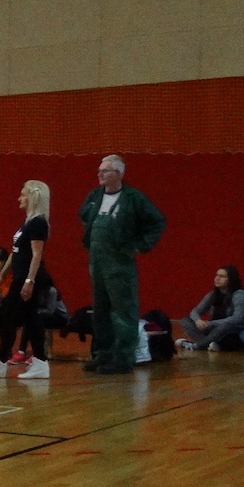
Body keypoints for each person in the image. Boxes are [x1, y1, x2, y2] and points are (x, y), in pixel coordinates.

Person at [79, 154, 166, 375]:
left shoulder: (133, 198)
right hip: (97, 263)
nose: (99, 173)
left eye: (104, 170)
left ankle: (123, 358)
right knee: (100, 312)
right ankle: (103, 355)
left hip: (120, 264)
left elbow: (157, 221)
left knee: (123, 312)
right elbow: (84, 215)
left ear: (118, 173)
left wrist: (140, 245)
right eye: (99, 170)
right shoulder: (95, 196)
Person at [0, 181, 53, 380]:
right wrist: (3, 273)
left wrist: (29, 281)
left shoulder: (38, 223)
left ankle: (1, 361)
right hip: (20, 276)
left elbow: (36, 255)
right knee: (30, 319)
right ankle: (40, 362)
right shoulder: (27, 222)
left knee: (8, 317)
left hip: (28, 278)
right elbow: (16, 251)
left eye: (23, 195)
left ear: (34, 197)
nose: (19, 198)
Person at [177, 266, 244, 352]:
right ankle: (210, 344)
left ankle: (197, 345)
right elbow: (195, 311)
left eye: (222, 276)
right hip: (214, 331)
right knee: (185, 321)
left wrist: (211, 323)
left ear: (231, 279)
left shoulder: (240, 295)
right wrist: (198, 320)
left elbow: (237, 319)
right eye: (217, 275)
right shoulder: (213, 294)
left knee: (224, 326)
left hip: (234, 332)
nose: (217, 278)